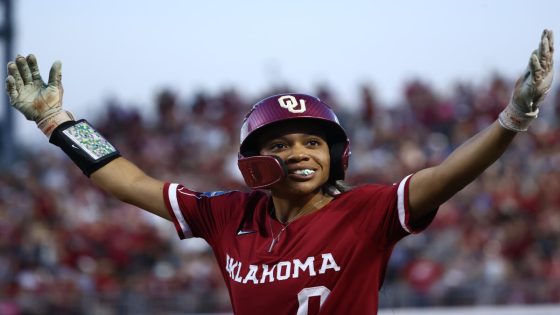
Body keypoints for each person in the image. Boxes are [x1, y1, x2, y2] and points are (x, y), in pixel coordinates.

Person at [4, 29, 554, 314]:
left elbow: (445, 175)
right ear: (253, 161)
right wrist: (58, 122)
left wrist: (512, 118)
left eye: (314, 141)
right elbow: (129, 181)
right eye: (283, 143)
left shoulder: (364, 212)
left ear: (337, 156)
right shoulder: (227, 215)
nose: (300, 153)